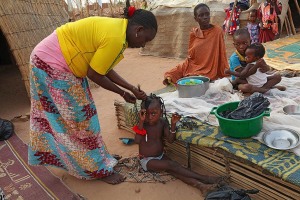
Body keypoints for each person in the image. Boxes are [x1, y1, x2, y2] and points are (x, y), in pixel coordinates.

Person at [28, 0, 157, 184]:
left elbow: (104, 68)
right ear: (139, 30)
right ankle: (97, 169)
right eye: (145, 40)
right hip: (51, 65)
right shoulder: (115, 37)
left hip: (59, 63)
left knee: (86, 117)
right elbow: (95, 74)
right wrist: (122, 93)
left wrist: (130, 90)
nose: (143, 45)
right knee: (81, 122)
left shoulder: (119, 31)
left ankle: (100, 159)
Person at [133, 94, 226, 196]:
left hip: (161, 156)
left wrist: (173, 124)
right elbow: (137, 140)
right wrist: (141, 122)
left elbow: (170, 140)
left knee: (175, 170)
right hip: (147, 160)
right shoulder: (143, 125)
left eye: (154, 113)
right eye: (146, 114)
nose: (150, 117)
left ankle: (201, 186)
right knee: (172, 165)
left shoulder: (163, 122)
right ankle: (205, 178)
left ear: (161, 112)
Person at [163, 3, 229, 85]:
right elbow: (191, 56)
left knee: (196, 77)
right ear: (196, 19)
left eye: (207, 14)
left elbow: (221, 54)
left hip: (210, 69)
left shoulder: (217, 32)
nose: (205, 17)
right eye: (201, 15)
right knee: (173, 73)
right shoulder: (194, 33)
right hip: (194, 64)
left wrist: (221, 70)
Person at [228, 30, 284, 94]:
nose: (241, 47)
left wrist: (264, 67)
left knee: (278, 77)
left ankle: (261, 89)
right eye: (238, 44)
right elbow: (242, 75)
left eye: (245, 43)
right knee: (246, 87)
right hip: (242, 81)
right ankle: (267, 89)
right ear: (234, 44)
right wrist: (256, 66)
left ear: (250, 41)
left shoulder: (254, 52)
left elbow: (266, 69)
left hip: (257, 79)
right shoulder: (234, 58)